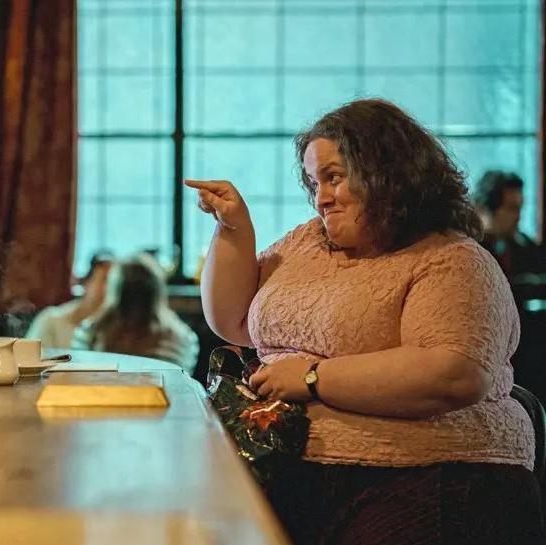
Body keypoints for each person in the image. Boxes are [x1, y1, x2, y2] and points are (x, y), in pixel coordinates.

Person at [186, 98, 543, 544]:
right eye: (315, 182)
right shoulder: (306, 242)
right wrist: (234, 230)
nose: (321, 197)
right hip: (294, 468)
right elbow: (233, 320)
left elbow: (453, 374)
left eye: (334, 178)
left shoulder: (451, 259)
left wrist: (314, 378)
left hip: (431, 477)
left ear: (389, 173)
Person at [71, 253, 198, 374]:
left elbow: (82, 377)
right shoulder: (182, 339)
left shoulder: (88, 333)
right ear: (157, 291)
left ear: (114, 290)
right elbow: (180, 384)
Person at [24, 251, 113, 348]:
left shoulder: (116, 331)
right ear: (87, 282)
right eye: (105, 280)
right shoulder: (51, 320)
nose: (111, 288)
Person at [473, 169, 543, 279]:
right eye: (512, 209)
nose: (518, 217)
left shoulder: (525, 246)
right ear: (486, 209)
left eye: (520, 208)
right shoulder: (471, 251)